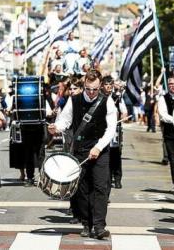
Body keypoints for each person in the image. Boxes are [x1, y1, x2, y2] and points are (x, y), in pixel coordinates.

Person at [49, 70, 116, 240]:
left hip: (100, 150)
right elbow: (65, 120)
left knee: (101, 188)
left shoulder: (108, 102)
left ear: (100, 85)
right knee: (81, 189)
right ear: (84, 84)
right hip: (80, 149)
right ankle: (87, 223)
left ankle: (100, 226)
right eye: (88, 88)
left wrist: (99, 147)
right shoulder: (74, 100)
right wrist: (56, 127)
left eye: (94, 89)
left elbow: (111, 130)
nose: (91, 92)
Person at [104, 76, 127, 189]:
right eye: (106, 85)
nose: (108, 87)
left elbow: (124, 112)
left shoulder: (117, 98)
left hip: (115, 130)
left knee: (116, 155)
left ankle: (117, 179)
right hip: (103, 130)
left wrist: (121, 117)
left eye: (110, 85)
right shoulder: (100, 97)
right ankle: (107, 178)